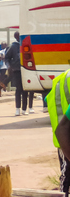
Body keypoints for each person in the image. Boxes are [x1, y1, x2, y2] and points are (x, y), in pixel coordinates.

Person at [47, 68, 70, 196]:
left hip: (62, 132)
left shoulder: (61, 77)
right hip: (65, 135)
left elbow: (47, 100)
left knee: (66, 173)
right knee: (66, 175)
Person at [4, 31, 33, 116]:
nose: (18, 37)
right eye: (17, 36)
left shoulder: (25, 44)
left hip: (26, 70)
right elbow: (7, 57)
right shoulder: (13, 46)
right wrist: (9, 66)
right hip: (17, 70)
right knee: (18, 89)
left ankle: (24, 109)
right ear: (15, 37)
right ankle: (17, 109)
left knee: (25, 90)